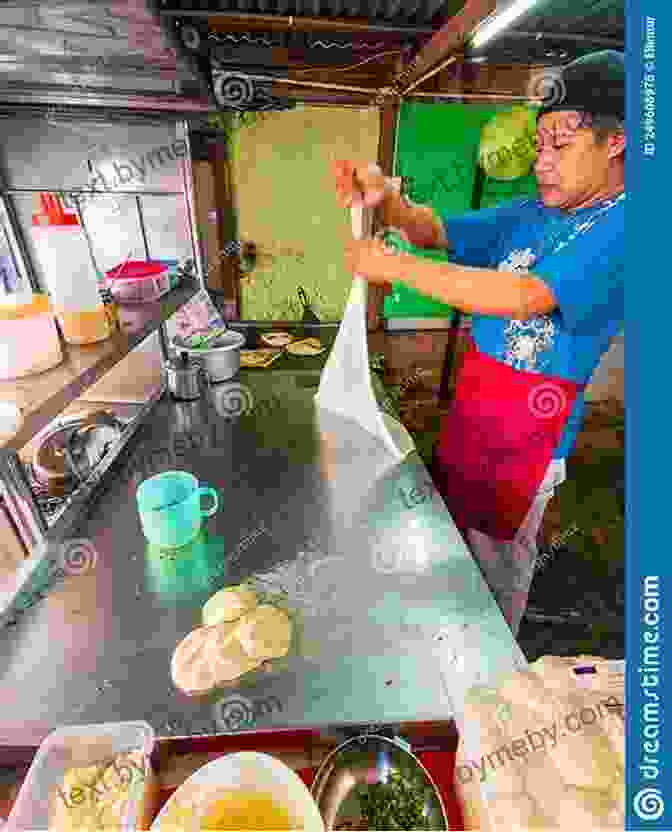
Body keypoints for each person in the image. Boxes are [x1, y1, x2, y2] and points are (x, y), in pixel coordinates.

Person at [334, 50, 625, 637]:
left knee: (494, 571)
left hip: (530, 433)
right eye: (539, 146)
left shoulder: (628, 224)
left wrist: (395, 266)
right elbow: (432, 229)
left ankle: (485, 674)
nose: (542, 163)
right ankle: (440, 644)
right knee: (453, 545)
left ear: (616, 142)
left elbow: (524, 296)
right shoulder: (532, 211)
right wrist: (385, 198)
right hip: (477, 410)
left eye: (559, 147)